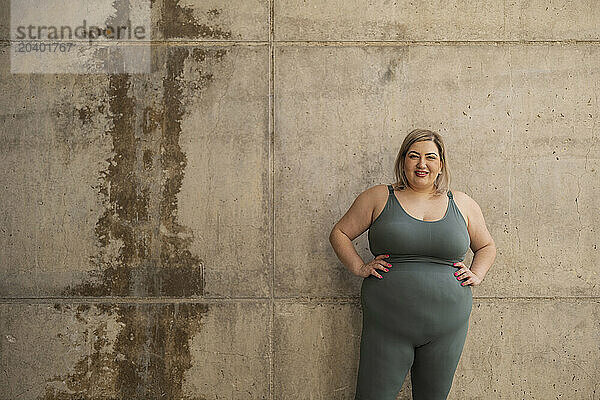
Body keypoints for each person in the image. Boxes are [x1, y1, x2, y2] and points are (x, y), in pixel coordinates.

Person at [329, 129, 496, 399]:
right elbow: (340, 233)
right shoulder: (379, 197)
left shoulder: (462, 203)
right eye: (414, 156)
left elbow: (487, 246)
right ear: (403, 161)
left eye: (430, 157)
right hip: (388, 323)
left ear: (440, 165)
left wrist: (477, 273)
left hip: (447, 326)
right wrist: (359, 267)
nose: (421, 164)